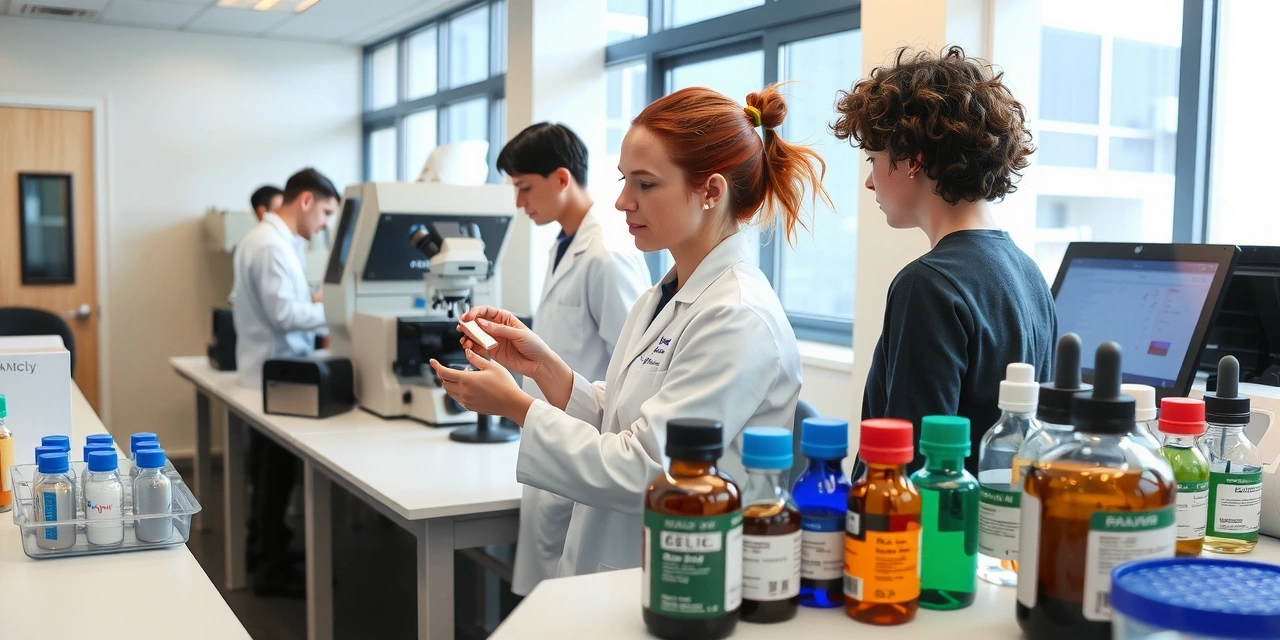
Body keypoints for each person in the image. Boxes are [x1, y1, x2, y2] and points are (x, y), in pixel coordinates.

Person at [429, 84, 823, 578]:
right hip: (623, 562)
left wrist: (515, 405)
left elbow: (648, 468)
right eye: (623, 181)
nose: (620, 202)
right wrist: (547, 370)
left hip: (686, 577)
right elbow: (627, 418)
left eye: (644, 184)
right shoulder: (665, 294)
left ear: (712, 191)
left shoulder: (737, 317)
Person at [831, 46, 1056, 475]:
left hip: (931, 534)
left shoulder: (929, 283)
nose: (868, 180)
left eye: (873, 160)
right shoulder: (1030, 275)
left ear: (913, 161)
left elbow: (908, 464)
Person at [495, 122, 651, 596]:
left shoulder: (606, 254)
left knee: (564, 598)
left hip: (589, 451)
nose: (520, 203)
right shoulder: (565, 242)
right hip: (563, 437)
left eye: (525, 188)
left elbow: (635, 368)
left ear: (561, 179)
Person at [231, 167, 340, 597]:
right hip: (274, 373)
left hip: (267, 370)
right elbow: (285, 316)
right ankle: (270, 568)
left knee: (269, 471)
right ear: (307, 201)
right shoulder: (271, 245)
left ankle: (266, 547)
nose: (326, 224)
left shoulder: (266, 239)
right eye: (327, 212)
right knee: (275, 475)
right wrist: (336, 308)